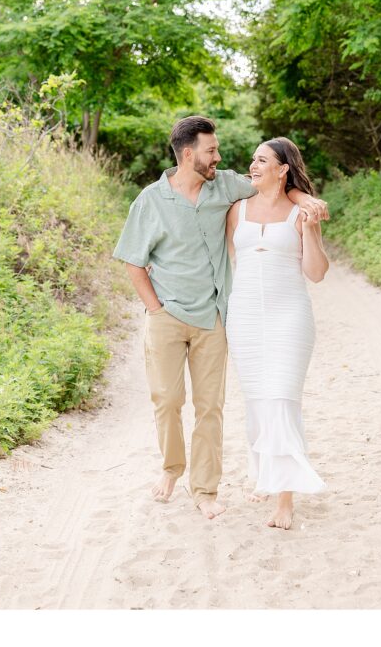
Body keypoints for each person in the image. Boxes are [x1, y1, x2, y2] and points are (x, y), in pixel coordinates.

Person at [112, 116, 329, 520]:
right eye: (211, 150)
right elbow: (132, 261)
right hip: (175, 314)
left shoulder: (224, 186)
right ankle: (172, 469)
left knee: (213, 405)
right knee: (169, 400)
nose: (221, 157)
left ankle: (207, 490)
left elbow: (279, 186)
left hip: (215, 316)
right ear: (189, 153)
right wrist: (155, 309)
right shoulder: (152, 200)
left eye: (219, 150)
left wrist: (304, 202)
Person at [225, 136, 329, 531]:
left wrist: (312, 228)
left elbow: (317, 273)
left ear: (283, 168)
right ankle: (267, 474)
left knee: (281, 399)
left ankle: (285, 498)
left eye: (262, 160)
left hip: (290, 314)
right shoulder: (236, 210)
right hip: (246, 314)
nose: (253, 166)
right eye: (252, 159)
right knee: (257, 402)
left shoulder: (300, 213)